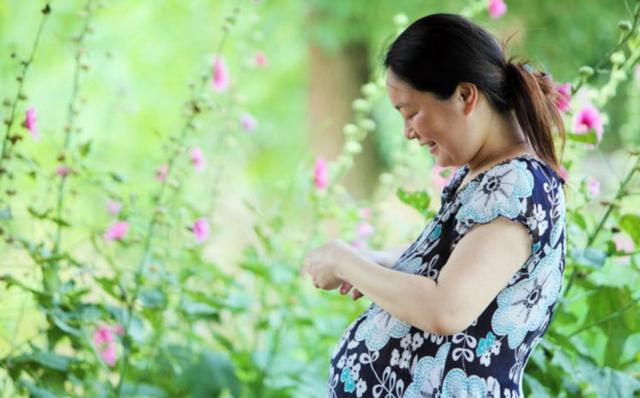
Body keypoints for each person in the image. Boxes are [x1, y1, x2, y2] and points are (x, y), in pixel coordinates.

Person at [302, 13, 567, 398]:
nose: (408, 132)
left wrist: (346, 261)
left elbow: (446, 308)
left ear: (465, 95)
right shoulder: (483, 175)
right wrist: (377, 266)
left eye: (411, 113)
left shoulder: (518, 185)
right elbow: (457, 271)